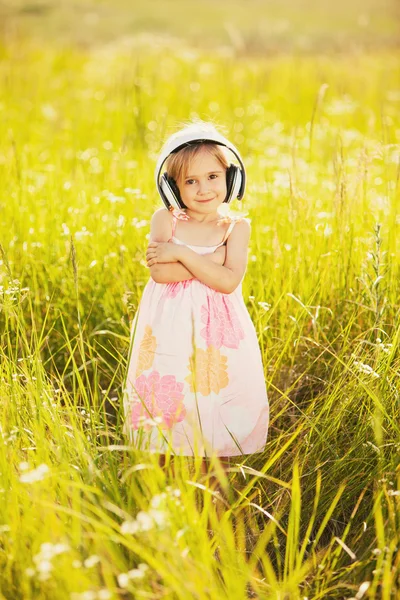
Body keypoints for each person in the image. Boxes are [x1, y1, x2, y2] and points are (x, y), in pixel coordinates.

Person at [122, 120, 269, 503]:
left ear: (231, 178)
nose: (204, 189)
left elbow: (227, 282)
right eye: (190, 181)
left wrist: (184, 253)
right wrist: (214, 260)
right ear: (173, 187)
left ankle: (214, 497)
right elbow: (161, 272)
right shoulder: (166, 219)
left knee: (214, 405)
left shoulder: (236, 227)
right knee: (169, 405)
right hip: (168, 333)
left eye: (213, 176)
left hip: (218, 336)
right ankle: (161, 493)